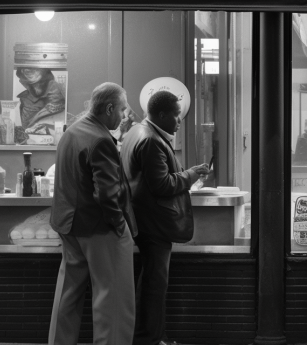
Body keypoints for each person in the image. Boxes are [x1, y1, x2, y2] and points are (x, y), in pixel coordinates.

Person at [48, 82, 137, 345]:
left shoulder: (73, 131)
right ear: (109, 108)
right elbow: (107, 195)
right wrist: (121, 226)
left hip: (69, 226)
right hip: (99, 229)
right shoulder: (100, 140)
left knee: (68, 295)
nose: (123, 116)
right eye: (122, 110)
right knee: (113, 300)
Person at [121, 90, 210, 345]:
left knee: (150, 281)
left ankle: (149, 336)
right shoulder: (151, 140)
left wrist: (188, 172)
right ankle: (150, 339)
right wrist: (191, 175)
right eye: (176, 116)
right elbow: (161, 185)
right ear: (161, 115)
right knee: (154, 285)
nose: (180, 121)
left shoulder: (138, 131)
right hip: (154, 223)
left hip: (143, 219)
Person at [16, 67, 66, 136]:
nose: (28, 71)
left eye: (34, 69)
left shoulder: (55, 90)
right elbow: (26, 129)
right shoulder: (26, 100)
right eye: (25, 69)